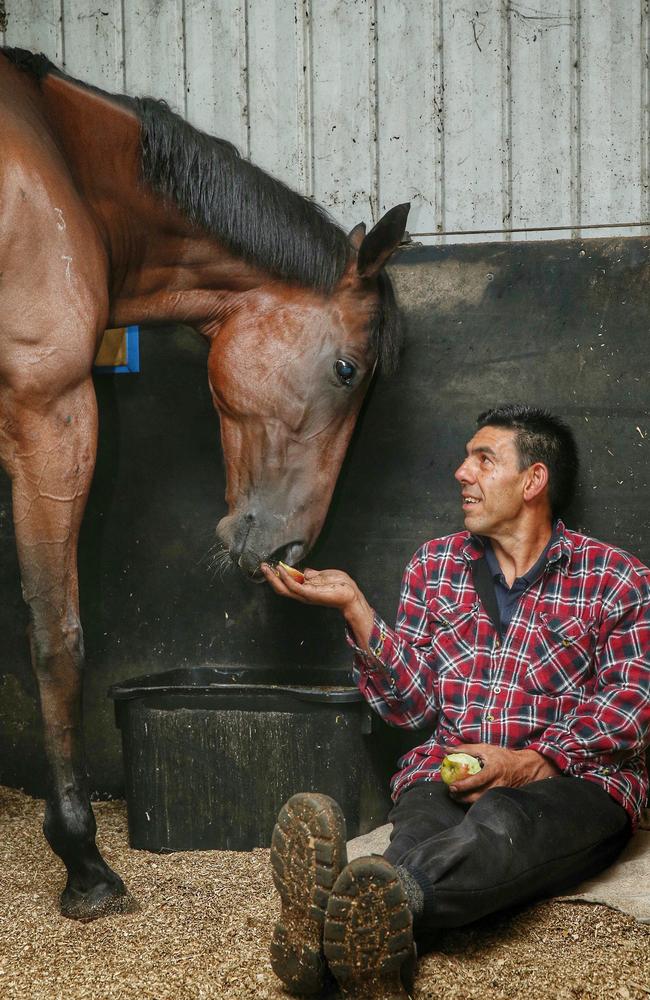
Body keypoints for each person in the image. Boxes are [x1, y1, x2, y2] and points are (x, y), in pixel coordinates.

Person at [261, 404, 650, 999]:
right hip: (447, 769)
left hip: (574, 784)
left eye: (482, 459)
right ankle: (374, 926)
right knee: (416, 833)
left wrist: (528, 763)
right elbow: (410, 711)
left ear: (532, 481)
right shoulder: (435, 566)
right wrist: (356, 610)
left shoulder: (615, 578)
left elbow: (630, 706)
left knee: (502, 823)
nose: (461, 473)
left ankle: (328, 930)